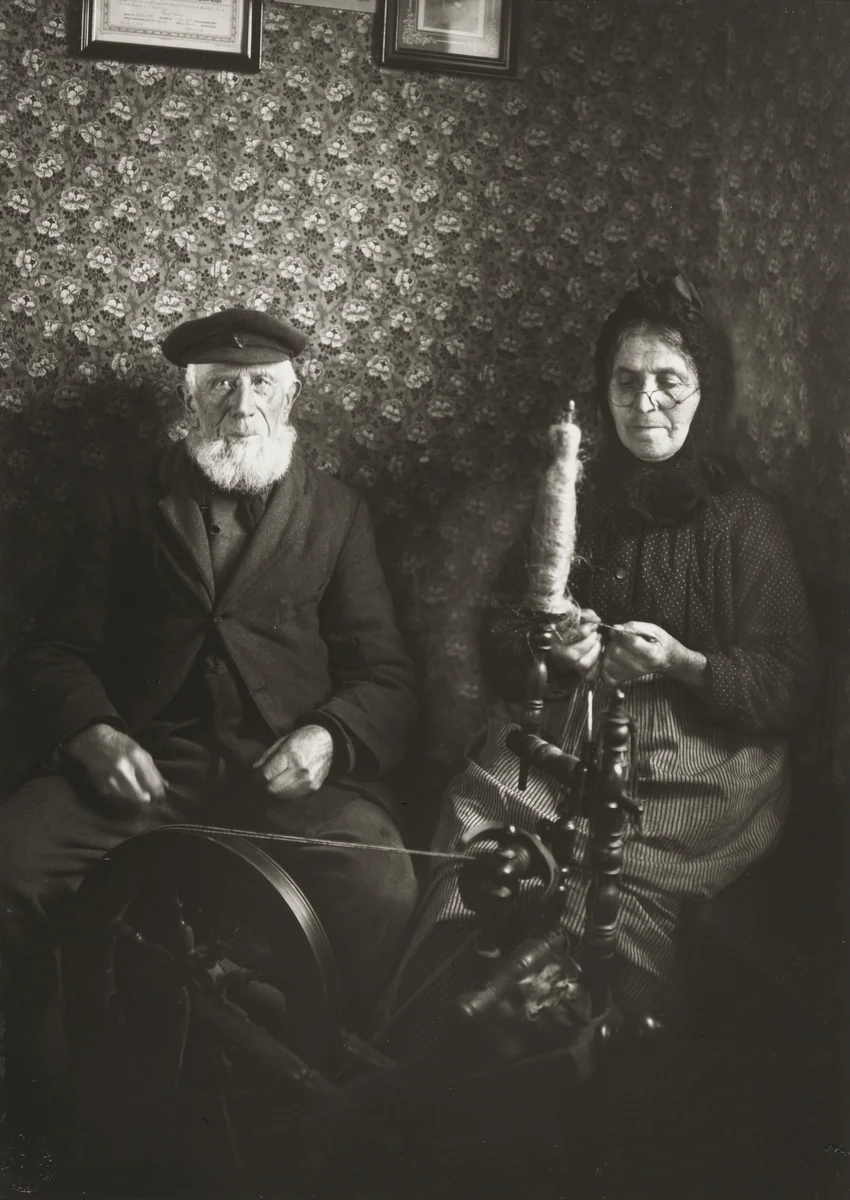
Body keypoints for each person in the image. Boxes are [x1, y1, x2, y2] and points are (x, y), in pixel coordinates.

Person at [0, 308, 419, 1143]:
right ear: (188, 402)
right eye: (220, 386)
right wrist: (95, 735)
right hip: (147, 774)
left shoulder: (338, 514)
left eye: (262, 384)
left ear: (292, 398)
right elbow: (55, 654)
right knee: (10, 865)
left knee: (383, 885)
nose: (242, 404)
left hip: (285, 780)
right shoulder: (121, 502)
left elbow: (389, 676)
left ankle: (324, 1099)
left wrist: (329, 737)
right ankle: (47, 1103)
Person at [391, 269, 819, 1033]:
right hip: (572, 732)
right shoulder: (577, 500)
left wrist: (683, 664)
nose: (644, 402)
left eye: (668, 382)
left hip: (698, 761)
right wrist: (557, 648)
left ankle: (585, 1042)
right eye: (625, 382)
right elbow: (502, 633)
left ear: (706, 392)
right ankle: (439, 1026)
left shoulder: (745, 523)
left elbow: (791, 684)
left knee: (611, 873)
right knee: (483, 819)